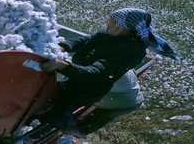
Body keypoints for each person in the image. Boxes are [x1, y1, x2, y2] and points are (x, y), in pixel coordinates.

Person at [36, 8, 178, 132]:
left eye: (110, 22)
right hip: (77, 76)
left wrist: (63, 66)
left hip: (88, 87)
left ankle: (52, 130)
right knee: (53, 100)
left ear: (119, 28)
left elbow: (95, 73)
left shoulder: (129, 52)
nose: (107, 23)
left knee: (62, 108)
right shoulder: (111, 34)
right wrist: (63, 46)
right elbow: (86, 40)